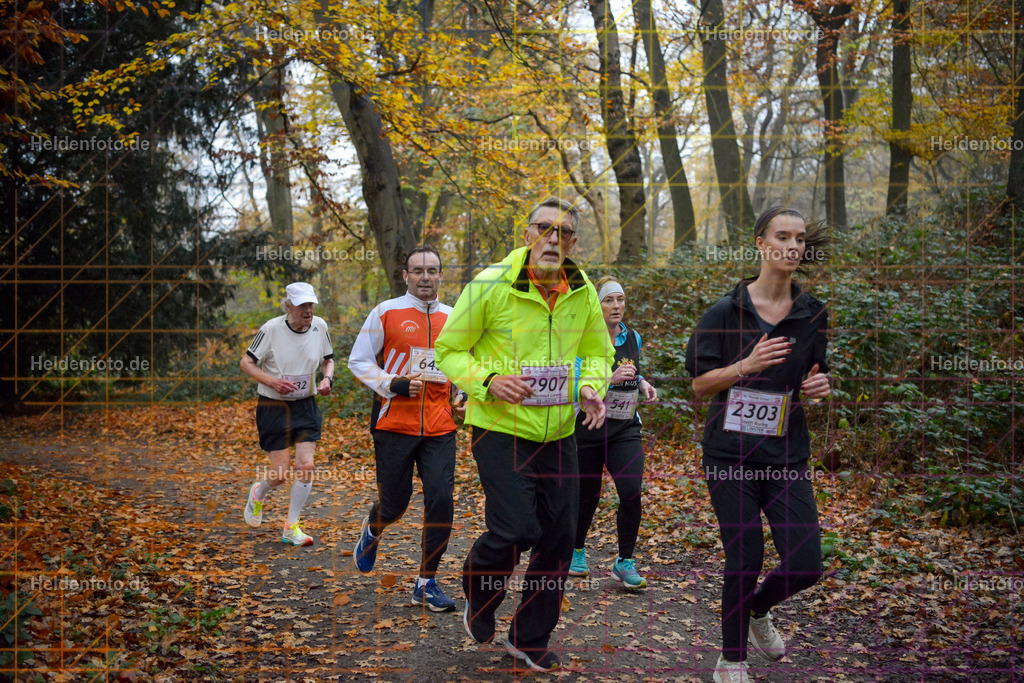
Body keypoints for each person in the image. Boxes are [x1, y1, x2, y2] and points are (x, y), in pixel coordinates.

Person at [434, 197, 615, 672]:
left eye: (566, 233)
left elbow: (598, 352)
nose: (554, 239)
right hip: (500, 426)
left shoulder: (583, 291)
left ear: (575, 242)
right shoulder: (491, 284)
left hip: (559, 432)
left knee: (559, 537)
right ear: (529, 232)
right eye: (545, 229)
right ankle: (479, 588)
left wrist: (592, 385)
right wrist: (489, 382)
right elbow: (448, 350)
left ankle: (528, 638)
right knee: (516, 530)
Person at [684, 206, 831, 683]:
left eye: (800, 239)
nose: (793, 246)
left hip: (786, 452)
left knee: (807, 562)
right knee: (744, 554)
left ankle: (757, 610)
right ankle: (731, 660)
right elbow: (699, 387)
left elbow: (814, 373)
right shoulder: (725, 313)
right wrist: (743, 367)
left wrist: (818, 386)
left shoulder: (813, 312)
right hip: (730, 452)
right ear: (760, 243)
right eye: (782, 236)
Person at [347, 246, 460, 612]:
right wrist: (393, 383)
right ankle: (374, 527)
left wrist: (462, 393)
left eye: (432, 270)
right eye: (418, 270)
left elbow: (462, 365)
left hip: (440, 425)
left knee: (441, 500)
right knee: (396, 504)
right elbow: (358, 360)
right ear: (405, 275)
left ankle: (426, 581)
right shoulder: (385, 312)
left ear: (441, 275)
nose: (425, 277)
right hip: (394, 423)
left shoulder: (455, 317)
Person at [569, 275, 657, 589]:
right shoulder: (581, 339)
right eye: (609, 300)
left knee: (632, 491)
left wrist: (643, 382)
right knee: (586, 496)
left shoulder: (632, 336)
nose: (616, 306)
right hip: (588, 428)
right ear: (597, 304)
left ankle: (625, 561)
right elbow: (578, 383)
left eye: (620, 299)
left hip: (624, 427)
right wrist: (611, 378)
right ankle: (576, 551)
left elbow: (634, 368)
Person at [241, 281, 334, 547]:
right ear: (289, 306)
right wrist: (271, 381)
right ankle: (259, 491)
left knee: (306, 465)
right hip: (274, 406)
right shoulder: (271, 329)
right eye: (303, 305)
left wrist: (327, 380)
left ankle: (291, 527)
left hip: (305, 404)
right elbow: (246, 362)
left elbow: (328, 359)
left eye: (311, 304)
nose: (309, 310)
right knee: (280, 474)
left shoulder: (320, 326)